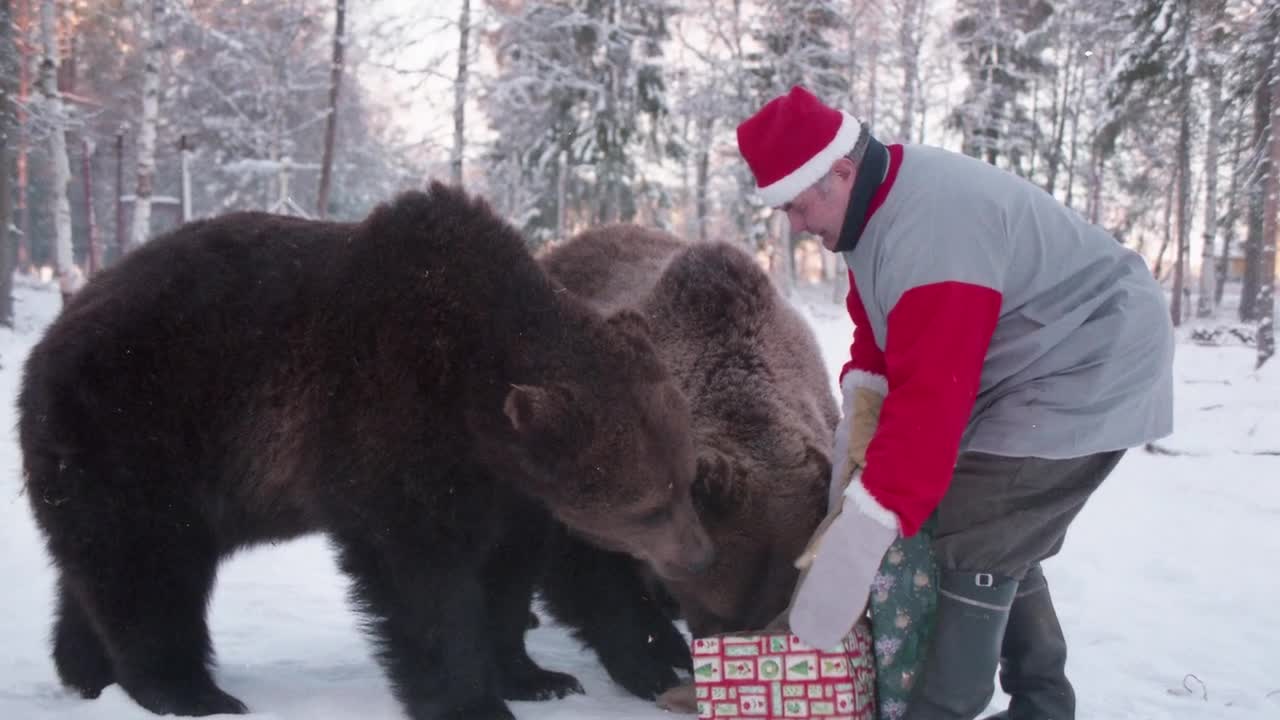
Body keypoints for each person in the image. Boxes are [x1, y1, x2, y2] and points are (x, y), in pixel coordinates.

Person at [736, 85, 1175, 720]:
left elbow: (930, 403)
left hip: (1089, 357)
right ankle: (1044, 702)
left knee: (975, 530)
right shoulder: (873, 216)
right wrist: (852, 458)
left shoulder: (930, 230)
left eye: (799, 207)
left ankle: (942, 706)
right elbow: (881, 340)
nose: (796, 226)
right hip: (1036, 364)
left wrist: (859, 538)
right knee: (998, 530)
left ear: (839, 171)